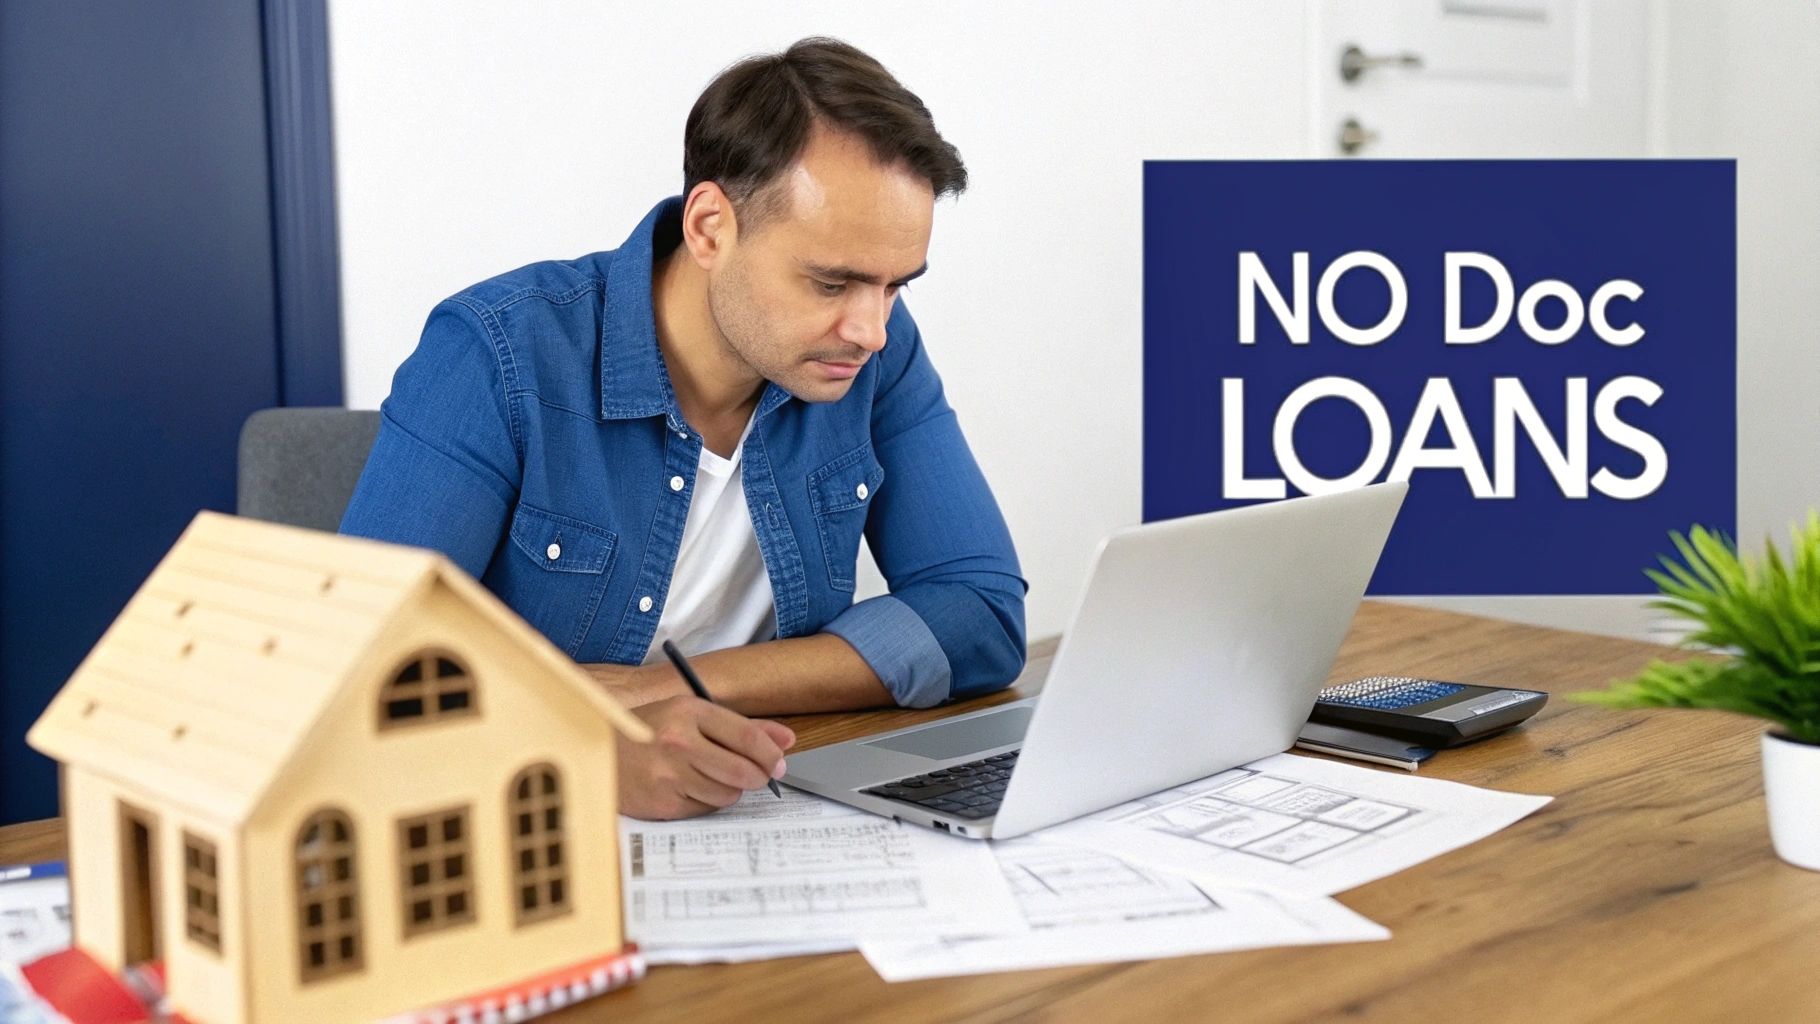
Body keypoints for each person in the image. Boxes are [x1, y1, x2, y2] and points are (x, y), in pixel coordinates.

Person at [341, 38, 1026, 820]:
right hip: (519, 822)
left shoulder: (874, 355)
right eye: (832, 282)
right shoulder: (497, 355)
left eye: (895, 287)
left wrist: (671, 685)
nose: (871, 329)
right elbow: (364, 675)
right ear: (709, 228)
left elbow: (980, 613)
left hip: (758, 802)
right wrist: (587, 751)